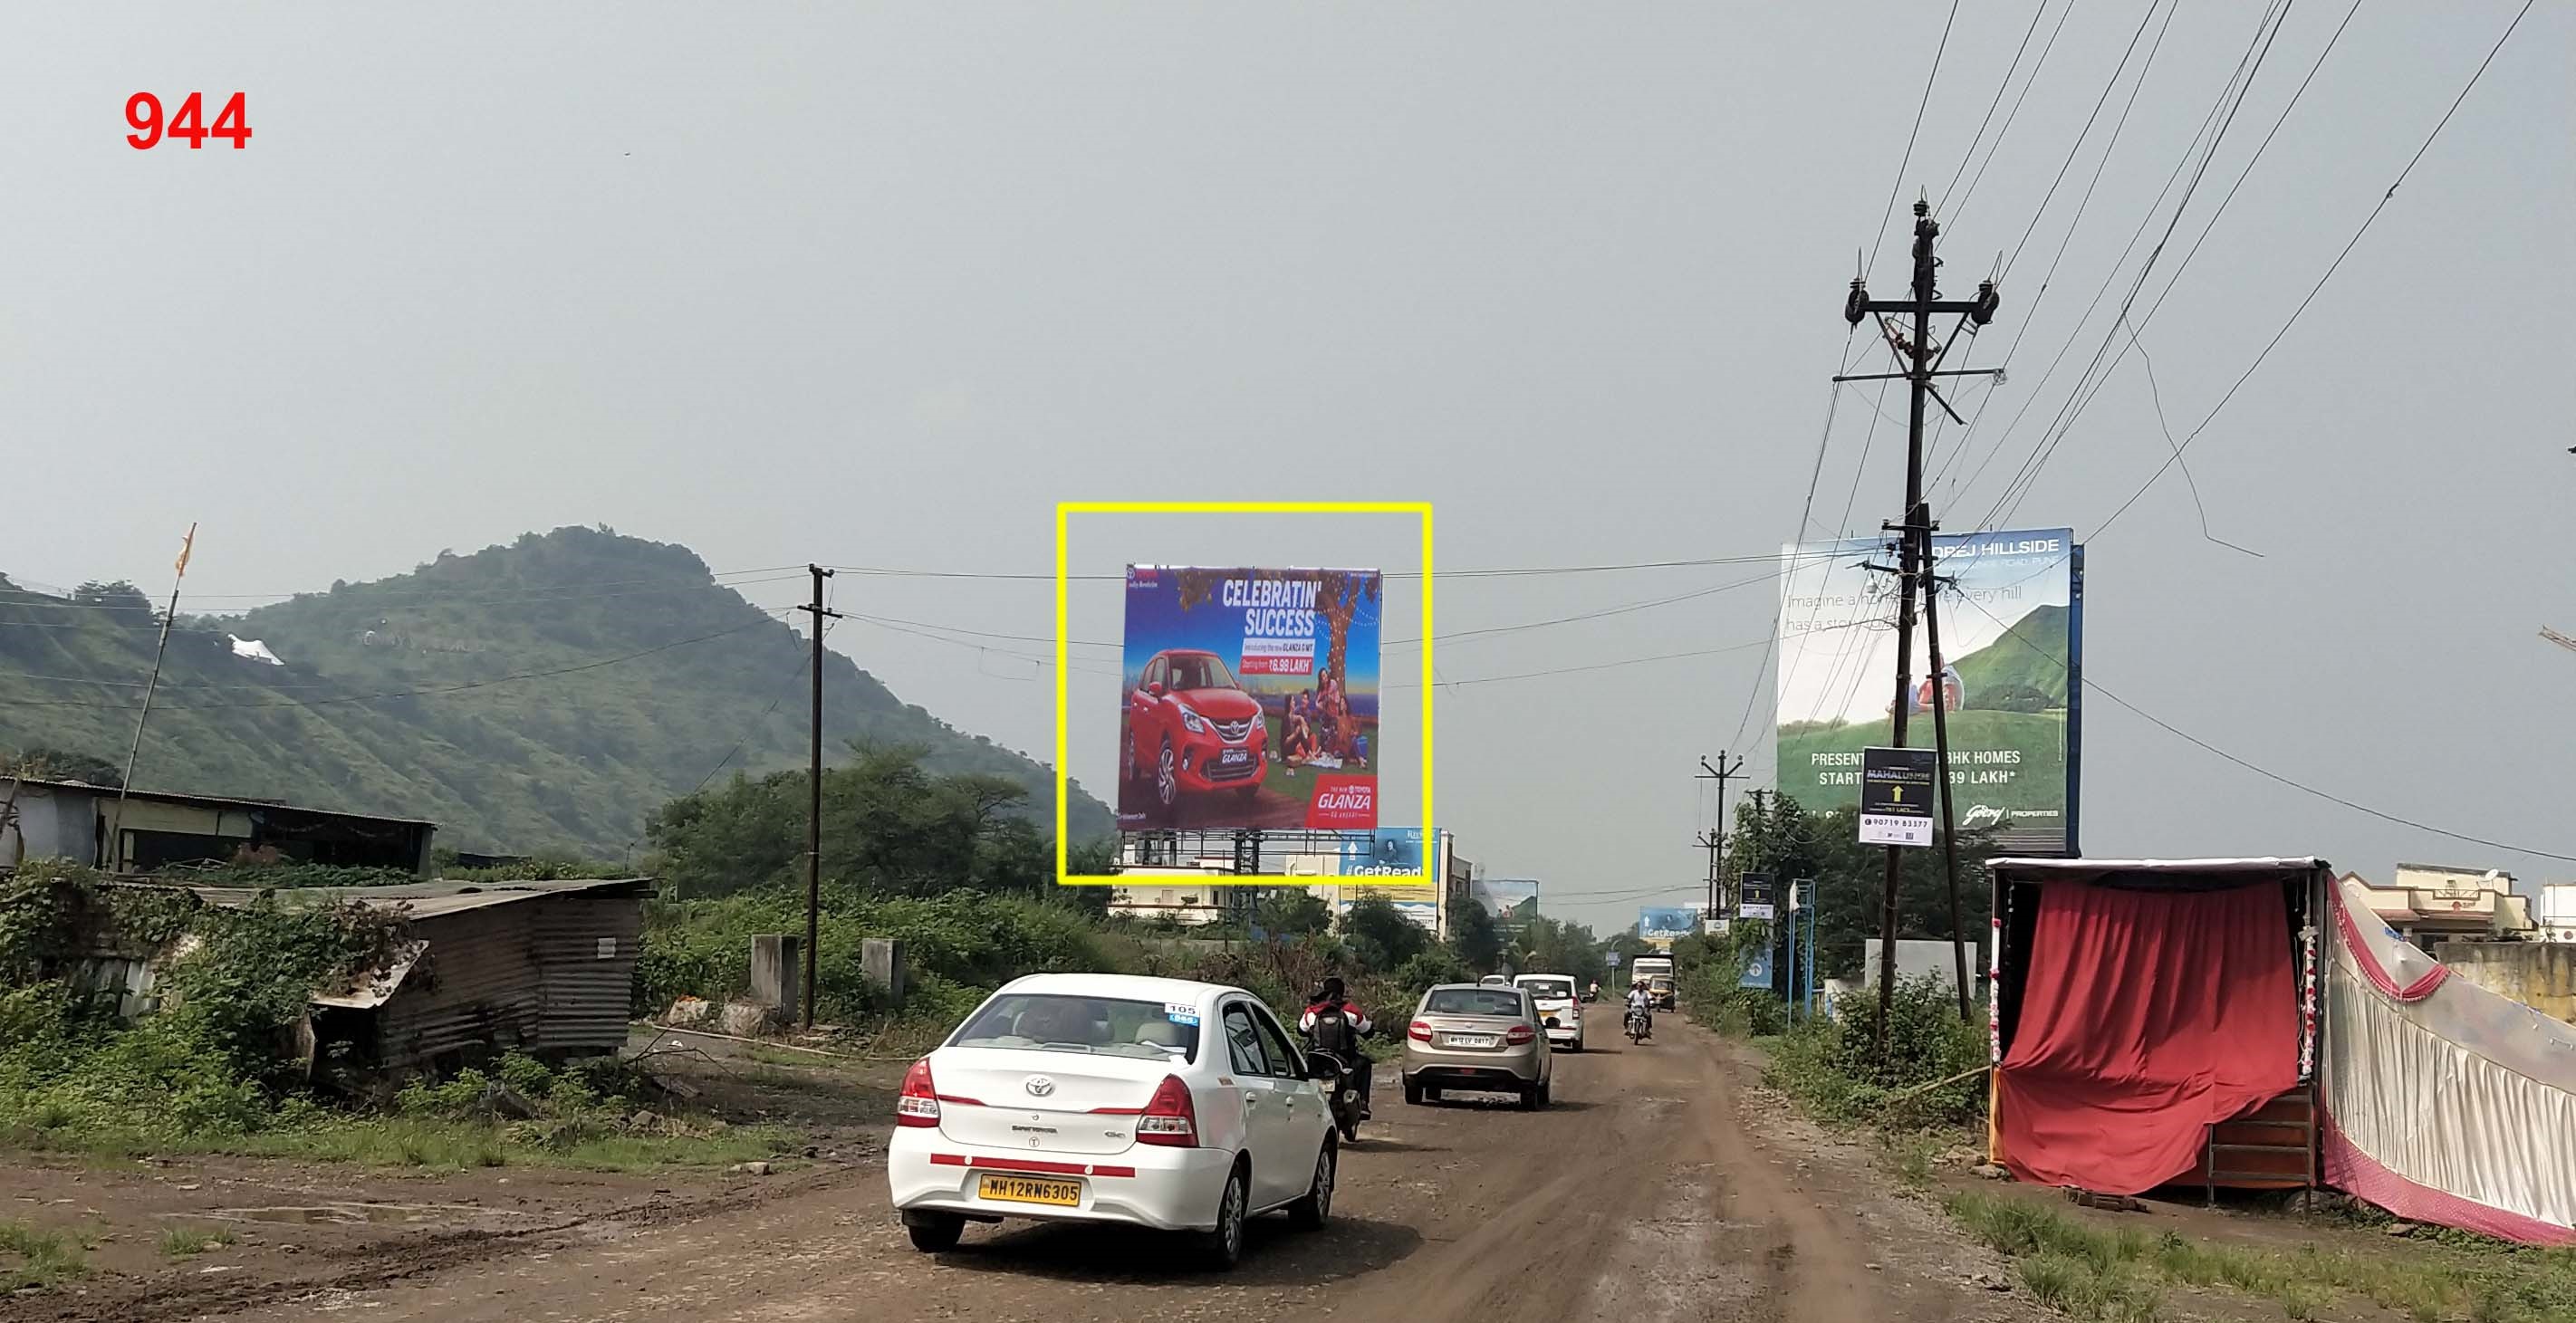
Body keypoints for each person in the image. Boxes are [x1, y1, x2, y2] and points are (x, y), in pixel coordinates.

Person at [1299, 976, 1373, 1117]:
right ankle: (1363, 1104)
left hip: (1318, 1060)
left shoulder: (1312, 1011)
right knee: (1365, 1064)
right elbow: (1368, 1031)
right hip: (1346, 1060)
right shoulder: (1351, 1010)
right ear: (1342, 992)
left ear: (1324, 991)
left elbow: (1301, 1030)